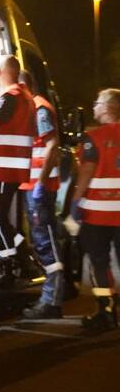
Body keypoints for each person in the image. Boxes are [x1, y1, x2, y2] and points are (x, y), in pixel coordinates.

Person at [70, 88, 120, 332]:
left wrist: (74, 203)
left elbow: (87, 171)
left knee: (100, 264)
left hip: (97, 215)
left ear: (109, 107)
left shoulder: (94, 137)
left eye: (97, 103)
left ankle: (106, 311)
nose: (94, 108)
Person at [0, 55, 36, 286]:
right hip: (14, 168)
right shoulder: (26, 97)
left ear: (4, 73)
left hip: (5, 168)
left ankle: (7, 265)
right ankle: (23, 257)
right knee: (3, 219)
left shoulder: (10, 97)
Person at [18, 71, 63, 318]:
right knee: (41, 241)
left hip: (39, 187)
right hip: (33, 185)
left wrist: (40, 184)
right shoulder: (33, 108)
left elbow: (51, 146)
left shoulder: (39, 108)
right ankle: (51, 297)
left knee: (46, 242)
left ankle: (52, 301)